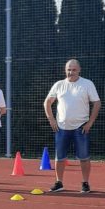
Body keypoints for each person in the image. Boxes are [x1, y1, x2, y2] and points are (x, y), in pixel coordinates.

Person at [44, 59, 100, 193]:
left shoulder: (87, 84)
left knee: (84, 157)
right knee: (59, 157)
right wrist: (51, 120)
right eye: (69, 69)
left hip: (81, 127)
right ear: (65, 70)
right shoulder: (59, 85)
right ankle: (59, 182)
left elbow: (97, 103)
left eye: (74, 70)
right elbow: (47, 102)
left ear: (79, 70)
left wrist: (90, 122)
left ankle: (85, 183)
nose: (71, 72)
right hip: (61, 128)